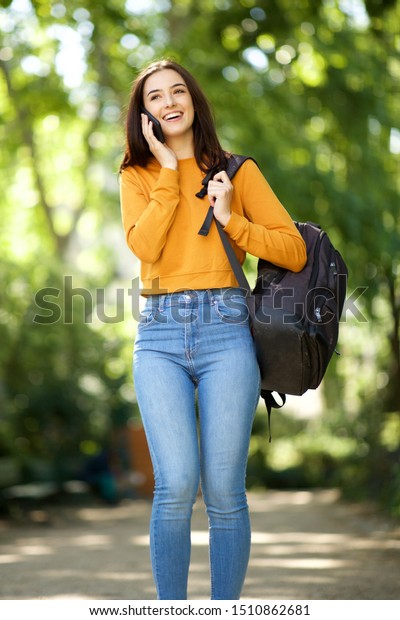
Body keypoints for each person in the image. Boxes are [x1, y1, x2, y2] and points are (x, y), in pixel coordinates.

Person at [119, 59, 306, 600]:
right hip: (159, 336)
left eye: (179, 91)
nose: (169, 101)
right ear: (144, 113)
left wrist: (232, 220)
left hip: (227, 333)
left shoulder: (235, 170)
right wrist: (171, 174)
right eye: (156, 96)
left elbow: (293, 250)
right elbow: (144, 247)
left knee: (225, 491)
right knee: (175, 485)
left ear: (195, 102)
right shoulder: (136, 174)